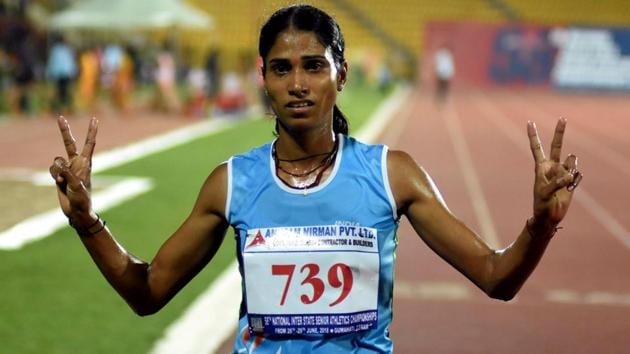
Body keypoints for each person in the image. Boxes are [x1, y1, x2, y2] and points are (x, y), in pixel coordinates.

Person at [49, 5, 583, 354]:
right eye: (281, 69)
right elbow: (148, 292)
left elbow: (495, 276)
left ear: (341, 74)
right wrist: (87, 222)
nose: (298, 84)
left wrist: (539, 225)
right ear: (264, 79)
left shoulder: (391, 174)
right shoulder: (230, 183)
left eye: (314, 66)